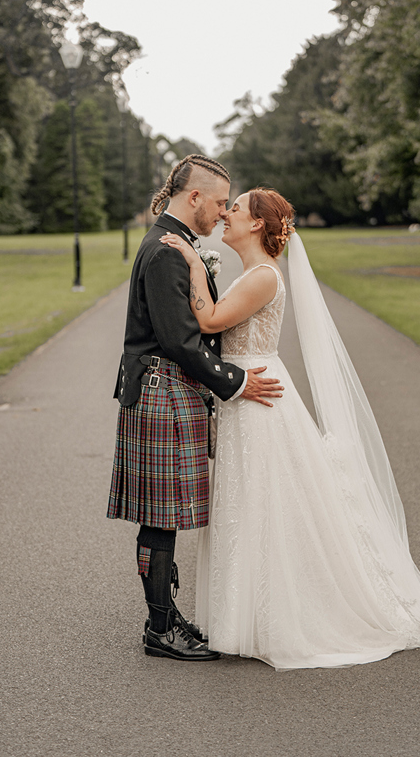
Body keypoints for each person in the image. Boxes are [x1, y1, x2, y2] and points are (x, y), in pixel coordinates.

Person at [160, 186, 420, 670]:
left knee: (264, 503)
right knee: (248, 503)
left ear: (257, 224)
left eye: (235, 209)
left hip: (260, 397)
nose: (226, 215)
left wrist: (195, 265)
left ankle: (277, 618)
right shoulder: (252, 272)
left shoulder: (261, 276)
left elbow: (210, 319)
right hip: (246, 390)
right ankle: (247, 617)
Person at [107, 156, 283, 662]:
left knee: (163, 514)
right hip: (162, 389)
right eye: (221, 202)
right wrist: (235, 382)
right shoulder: (166, 251)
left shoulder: (173, 241)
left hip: (164, 390)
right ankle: (159, 628)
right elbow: (180, 341)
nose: (223, 212)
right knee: (160, 517)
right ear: (195, 198)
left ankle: (163, 617)